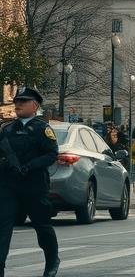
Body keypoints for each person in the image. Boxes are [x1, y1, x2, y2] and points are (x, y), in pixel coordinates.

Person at [0, 87, 60, 277]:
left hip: (34, 185)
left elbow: (51, 154)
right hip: (9, 185)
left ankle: (52, 260)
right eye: (17, 101)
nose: (18, 104)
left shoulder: (43, 129)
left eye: (23, 101)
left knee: (42, 226)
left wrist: (30, 166)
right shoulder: (7, 129)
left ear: (34, 106)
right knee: (3, 227)